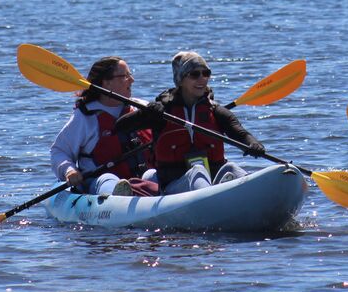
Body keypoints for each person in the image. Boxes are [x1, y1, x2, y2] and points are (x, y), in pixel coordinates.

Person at [113, 51, 266, 195]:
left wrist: (253, 144)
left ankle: (260, 196)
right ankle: (217, 197)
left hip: (211, 181)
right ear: (180, 80)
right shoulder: (162, 112)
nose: (202, 79)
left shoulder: (215, 111)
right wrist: (145, 113)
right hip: (174, 186)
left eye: (206, 73)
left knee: (230, 168)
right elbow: (120, 127)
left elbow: (239, 133)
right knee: (197, 171)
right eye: (195, 74)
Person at [49, 56, 153, 196]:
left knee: (152, 174)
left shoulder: (142, 108)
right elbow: (59, 151)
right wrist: (69, 171)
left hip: (143, 180)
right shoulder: (86, 117)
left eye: (131, 75)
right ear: (106, 83)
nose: (132, 80)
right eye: (125, 76)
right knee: (107, 179)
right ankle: (120, 197)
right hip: (99, 184)